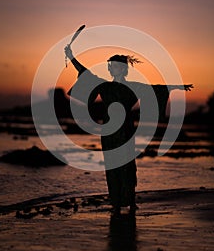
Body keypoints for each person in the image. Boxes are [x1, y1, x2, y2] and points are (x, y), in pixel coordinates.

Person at [64, 45, 193, 215]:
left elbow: (155, 89)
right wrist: (71, 56)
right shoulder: (104, 87)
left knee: (127, 166)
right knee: (112, 167)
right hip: (108, 132)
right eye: (111, 66)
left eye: (116, 66)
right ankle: (116, 202)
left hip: (125, 130)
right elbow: (85, 72)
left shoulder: (133, 87)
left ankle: (130, 201)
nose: (112, 69)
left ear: (124, 69)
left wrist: (177, 86)